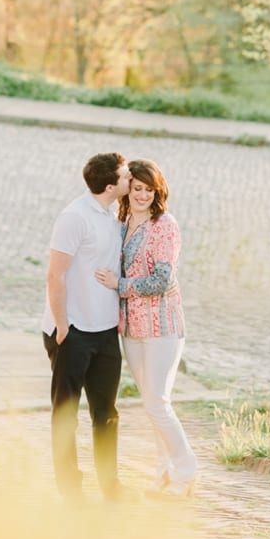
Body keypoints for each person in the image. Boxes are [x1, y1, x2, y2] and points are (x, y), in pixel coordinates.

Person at [95, 159, 198, 498]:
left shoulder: (164, 225)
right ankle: (163, 475)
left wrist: (119, 284)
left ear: (158, 191)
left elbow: (162, 280)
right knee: (152, 403)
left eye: (148, 189)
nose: (142, 195)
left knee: (157, 403)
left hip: (163, 326)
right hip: (131, 328)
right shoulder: (121, 223)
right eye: (136, 188)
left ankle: (186, 471)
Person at [42, 151, 132, 501]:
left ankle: (111, 485)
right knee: (66, 414)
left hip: (106, 331)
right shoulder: (73, 218)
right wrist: (63, 327)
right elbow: (55, 274)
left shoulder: (112, 216)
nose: (130, 179)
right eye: (126, 176)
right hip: (73, 332)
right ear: (111, 185)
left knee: (106, 413)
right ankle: (70, 489)